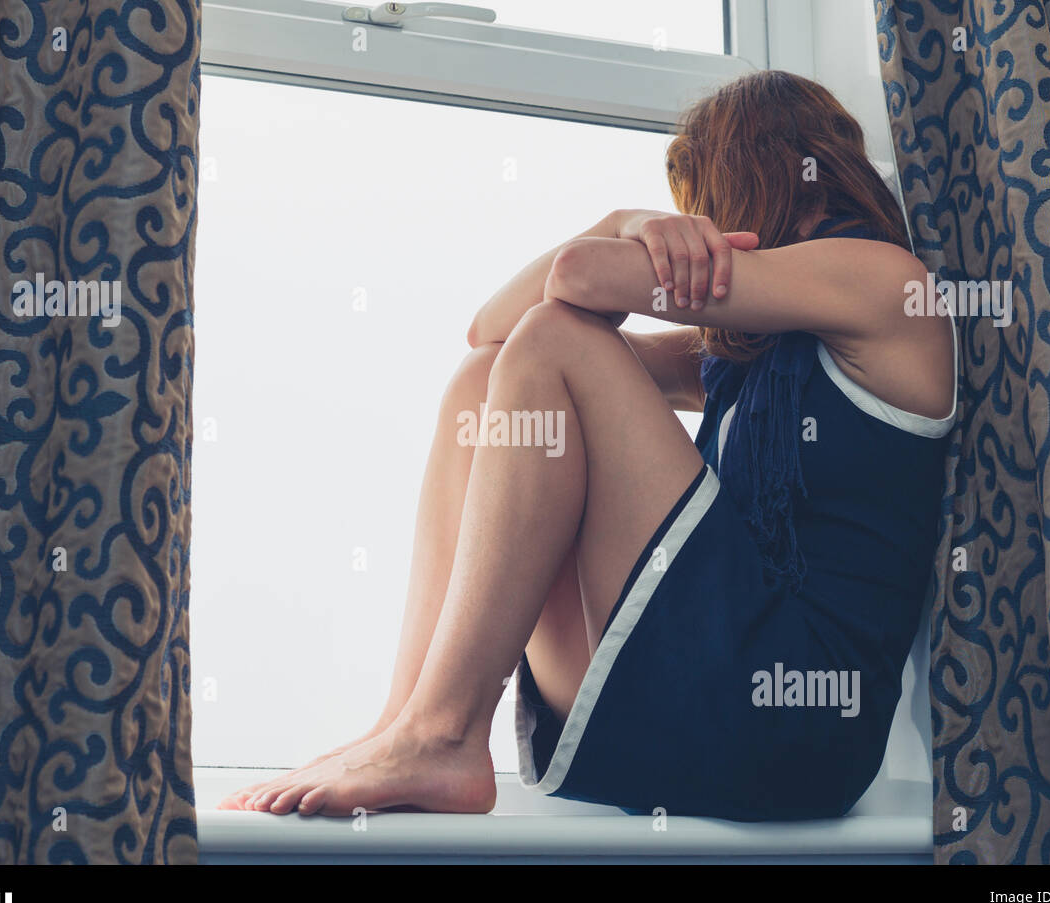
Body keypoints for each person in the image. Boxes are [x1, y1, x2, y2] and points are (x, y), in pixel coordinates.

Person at [220, 70, 956, 820]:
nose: (696, 226)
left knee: (557, 338)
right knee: (487, 380)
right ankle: (407, 722)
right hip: (708, 696)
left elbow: (575, 285)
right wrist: (625, 219)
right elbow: (490, 331)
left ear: (753, 181)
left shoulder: (886, 283)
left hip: (801, 721)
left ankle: (443, 733)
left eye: (701, 205)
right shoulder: (751, 354)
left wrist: (626, 233)